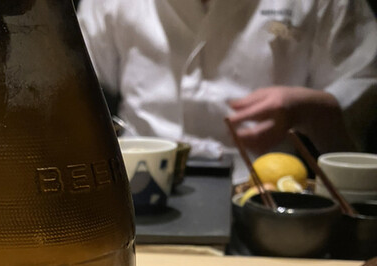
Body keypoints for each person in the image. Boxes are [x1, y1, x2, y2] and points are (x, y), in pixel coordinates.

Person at [77, 0, 377, 182]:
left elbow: (363, 78)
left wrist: (310, 108)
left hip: (263, 183)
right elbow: (74, 79)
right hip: (138, 180)